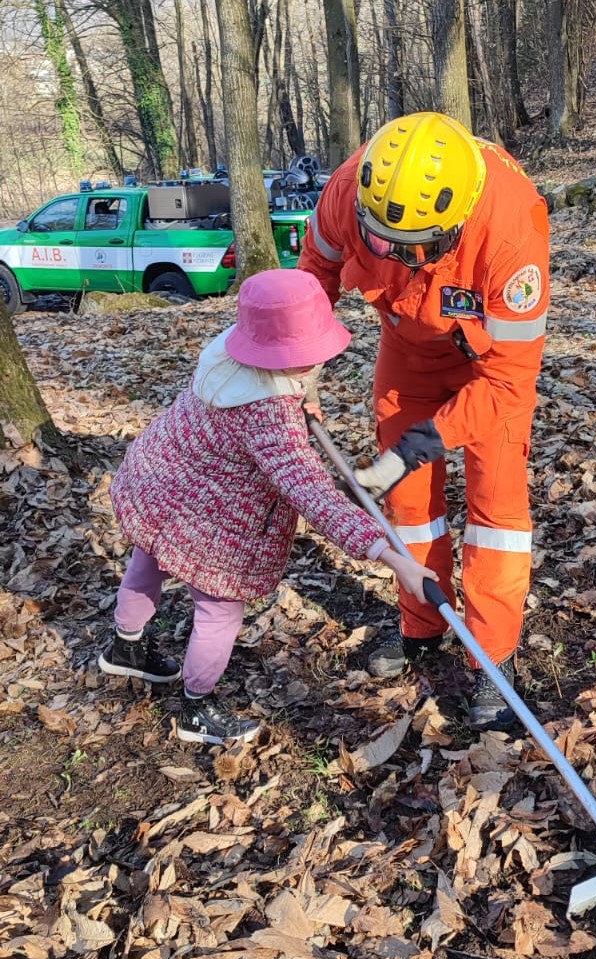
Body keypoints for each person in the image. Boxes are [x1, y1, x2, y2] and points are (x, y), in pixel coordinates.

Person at [98, 269, 437, 746]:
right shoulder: (267, 416)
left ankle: (125, 647)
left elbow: (285, 382)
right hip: (207, 516)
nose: (309, 365)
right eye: (301, 360)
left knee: (147, 558)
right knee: (218, 612)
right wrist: (395, 559)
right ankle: (197, 709)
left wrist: (305, 399)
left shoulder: (227, 350)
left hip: (160, 477)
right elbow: (314, 495)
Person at [298, 111, 550, 732]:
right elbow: (314, 274)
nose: (392, 256)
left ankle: (493, 655)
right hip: (409, 350)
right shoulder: (349, 188)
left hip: (489, 364)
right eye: (379, 240)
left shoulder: (512, 229)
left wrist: (416, 445)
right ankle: (421, 625)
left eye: (412, 248)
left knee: (496, 513)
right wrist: (299, 364)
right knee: (411, 505)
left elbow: (509, 380)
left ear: (456, 224)